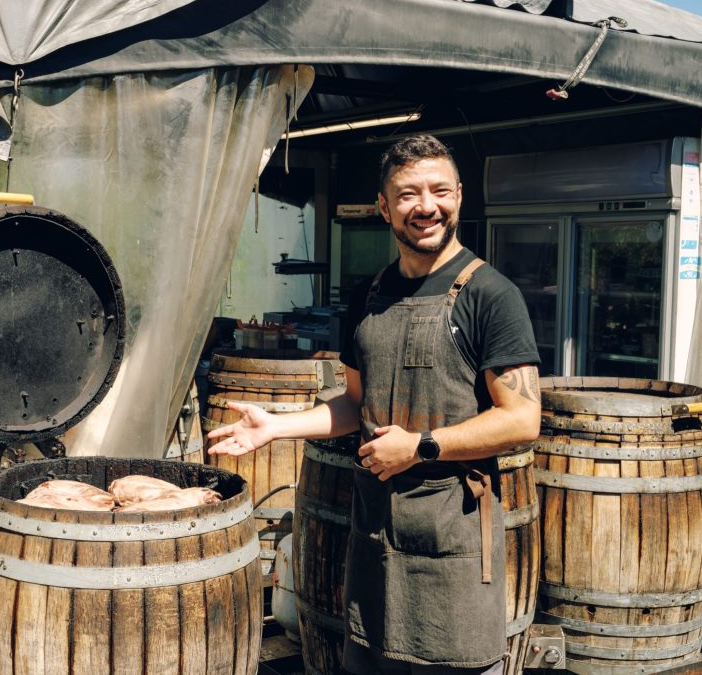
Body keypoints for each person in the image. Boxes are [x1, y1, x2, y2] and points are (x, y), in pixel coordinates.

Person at [208, 134, 541, 673]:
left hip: (452, 538)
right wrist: (276, 426)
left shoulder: (490, 296)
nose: (426, 207)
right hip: (375, 540)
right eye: (408, 194)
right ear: (384, 206)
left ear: (459, 196)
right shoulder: (368, 295)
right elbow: (355, 404)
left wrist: (423, 447)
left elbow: (523, 420)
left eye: (439, 191)